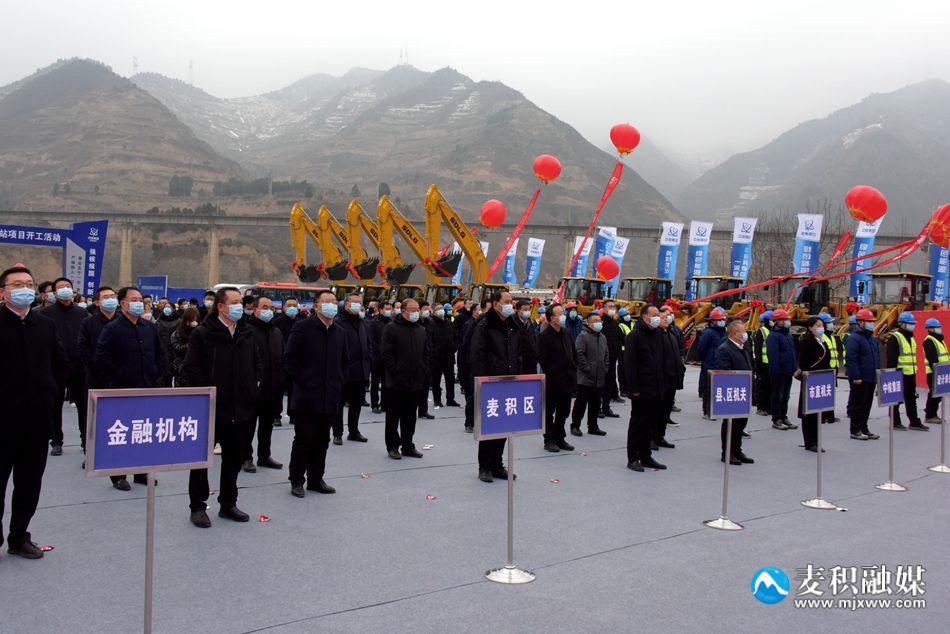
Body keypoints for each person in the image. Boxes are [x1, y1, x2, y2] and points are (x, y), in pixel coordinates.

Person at [0, 265, 67, 559]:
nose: (24, 289)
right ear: (3, 292)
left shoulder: (45, 324)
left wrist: (50, 392)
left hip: (37, 419)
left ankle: (19, 537)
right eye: (16, 284)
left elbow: (60, 364)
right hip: (2, 420)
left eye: (28, 284)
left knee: (29, 484)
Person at [182, 287, 262, 527]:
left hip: (241, 408)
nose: (240, 306)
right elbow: (191, 369)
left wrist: (252, 389)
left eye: (240, 302)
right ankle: (198, 506)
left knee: (234, 459)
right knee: (201, 461)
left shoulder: (247, 332)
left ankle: (228, 503)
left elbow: (257, 364)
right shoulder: (203, 334)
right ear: (221, 307)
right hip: (211, 408)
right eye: (234, 302)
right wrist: (205, 395)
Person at [94, 286, 166, 491]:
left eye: (140, 300)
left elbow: (161, 353)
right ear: (123, 304)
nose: (139, 303)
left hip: (147, 387)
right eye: (133, 300)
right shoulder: (112, 329)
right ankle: (118, 475)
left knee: (143, 432)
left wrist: (156, 371)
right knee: (122, 432)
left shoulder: (149, 327)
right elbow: (101, 358)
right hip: (122, 390)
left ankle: (141, 471)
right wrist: (120, 374)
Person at [283, 291, 347, 498]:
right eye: (327, 302)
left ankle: (316, 478)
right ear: (316, 306)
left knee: (322, 440)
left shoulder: (339, 332)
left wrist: (338, 381)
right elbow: (290, 358)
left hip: (330, 395)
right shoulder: (303, 328)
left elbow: (344, 361)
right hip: (307, 396)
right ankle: (296, 479)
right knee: (304, 439)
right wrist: (305, 381)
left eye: (334, 302)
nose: (332, 305)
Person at [471, 291, 524, 482]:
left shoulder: (512, 325)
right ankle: (484, 466)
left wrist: (519, 377)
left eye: (512, 301)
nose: (511, 304)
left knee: (504, 426)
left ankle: (497, 464)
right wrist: (483, 382)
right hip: (491, 384)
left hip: (509, 382)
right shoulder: (484, 326)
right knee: (490, 426)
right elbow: (477, 356)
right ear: (495, 304)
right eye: (507, 301)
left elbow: (518, 354)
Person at [39, 276, 89, 457]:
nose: (65, 289)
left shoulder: (82, 313)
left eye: (68, 286)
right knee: (55, 405)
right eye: (61, 287)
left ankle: (85, 439)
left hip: (79, 366)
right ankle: (56, 441)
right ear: (54, 292)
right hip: (55, 367)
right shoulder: (44, 314)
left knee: (83, 405)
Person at [381, 298, 429, 460]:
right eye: (413, 310)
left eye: (418, 310)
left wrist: (424, 369)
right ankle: (392, 446)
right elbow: (386, 353)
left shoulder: (421, 330)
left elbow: (426, 352)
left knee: (410, 416)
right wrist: (395, 370)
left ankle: (408, 445)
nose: (417, 313)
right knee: (393, 416)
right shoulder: (391, 328)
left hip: (415, 380)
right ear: (403, 312)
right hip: (396, 381)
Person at [76, 286, 119, 463]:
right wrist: (98, 367)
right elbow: (83, 348)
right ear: (97, 302)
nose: (110, 300)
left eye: (112, 296)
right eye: (106, 297)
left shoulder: (123, 321)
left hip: (119, 378)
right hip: (96, 376)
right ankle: (91, 453)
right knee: (94, 417)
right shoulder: (88, 323)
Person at [243, 296, 285, 471]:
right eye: (264, 307)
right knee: (248, 426)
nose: (269, 311)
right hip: (252, 389)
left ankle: (264, 455)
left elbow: (281, 358)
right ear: (255, 310)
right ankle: (246, 457)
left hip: (272, 388)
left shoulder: (277, 332)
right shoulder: (246, 331)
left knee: (267, 426)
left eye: (271, 307)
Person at [624, 305, 667, 472]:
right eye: (654, 315)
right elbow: (630, 365)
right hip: (641, 389)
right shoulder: (634, 336)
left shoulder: (658, 335)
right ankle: (633, 458)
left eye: (658, 315)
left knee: (651, 424)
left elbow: (662, 361)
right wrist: (633, 388)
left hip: (656, 387)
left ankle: (646, 456)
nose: (657, 318)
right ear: (644, 317)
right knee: (638, 424)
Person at [714, 319, 755, 464]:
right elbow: (723, 372)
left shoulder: (742, 347)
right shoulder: (725, 349)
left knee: (741, 424)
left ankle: (737, 450)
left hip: (743, 391)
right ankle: (727, 453)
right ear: (734, 333)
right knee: (731, 424)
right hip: (732, 392)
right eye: (743, 331)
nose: (745, 334)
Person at [538, 304, 577, 452]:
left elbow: (573, 352)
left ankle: (560, 437)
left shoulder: (566, 333)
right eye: (560, 314)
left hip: (568, 379)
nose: (563, 316)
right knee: (549, 412)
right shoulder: (544, 336)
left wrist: (573, 368)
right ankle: (549, 440)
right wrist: (553, 372)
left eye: (563, 313)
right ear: (552, 318)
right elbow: (543, 358)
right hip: (553, 381)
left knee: (564, 411)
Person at [334, 293, 371, 444]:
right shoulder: (338, 322)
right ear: (346, 304)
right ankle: (337, 433)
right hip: (344, 371)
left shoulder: (363, 322)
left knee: (356, 403)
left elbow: (368, 343)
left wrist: (368, 361)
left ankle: (354, 431)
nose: (357, 305)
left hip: (361, 370)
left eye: (359, 302)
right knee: (339, 403)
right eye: (354, 302)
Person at [885, 312, 929, 431]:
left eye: (913, 323)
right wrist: (891, 375)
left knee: (911, 399)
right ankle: (895, 422)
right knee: (895, 399)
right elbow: (891, 359)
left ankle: (914, 422)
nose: (912, 325)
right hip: (899, 374)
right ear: (902, 324)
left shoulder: (911, 338)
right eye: (910, 323)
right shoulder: (895, 338)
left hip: (910, 374)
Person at [570, 311, 608, 437]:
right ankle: (575, 425)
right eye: (595, 321)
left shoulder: (602, 337)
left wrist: (605, 368)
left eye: (599, 321)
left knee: (595, 404)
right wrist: (587, 369)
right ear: (589, 323)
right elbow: (579, 354)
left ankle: (593, 426)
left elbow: (606, 354)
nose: (599, 323)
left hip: (599, 377)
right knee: (581, 403)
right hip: (585, 377)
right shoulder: (583, 336)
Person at [845, 309, 881, 441]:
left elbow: (876, 357)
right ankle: (855, 430)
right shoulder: (854, 338)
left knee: (867, 405)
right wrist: (856, 376)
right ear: (860, 323)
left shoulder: (872, 338)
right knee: (858, 405)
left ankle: (864, 428)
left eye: (872, 322)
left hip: (871, 377)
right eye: (869, 322)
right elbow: (851, 358)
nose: (872, 324)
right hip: (860, 378)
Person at [797, 316, 831, 452]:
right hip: (811, 379)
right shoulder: (806, 341)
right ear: (810, 328)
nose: (821, 328)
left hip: (822, 378)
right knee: (809, 412)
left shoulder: (822, 340)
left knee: (817, 410)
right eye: (817, 325)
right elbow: (803, 362)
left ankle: (815, 440)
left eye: (822, 325)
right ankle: (809, 442)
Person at [655, 307, 684, 450]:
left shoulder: (672, 332)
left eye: (668, 316)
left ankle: (660, 437)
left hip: (672, 378)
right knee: (657, 411)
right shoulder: (655, 335)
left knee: (666, 410)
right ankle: (652, 438)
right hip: (661, 380)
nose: (666, 319)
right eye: (663, 317)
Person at [460, 300, 489, 433]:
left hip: (490, 366)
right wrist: (470, 363)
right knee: (474, 394)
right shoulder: (473, 324)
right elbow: (466, 344)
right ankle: (469, 422)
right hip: (476, 365)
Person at [766, 308, 798, 431]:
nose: (786, 321)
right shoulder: (773, 336)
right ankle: (776, 419)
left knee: (785, 396)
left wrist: (794, 368)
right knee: (777, 396)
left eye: (786, 319)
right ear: (777, 321)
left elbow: (792, 353)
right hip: (778, 373)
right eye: (783, 319)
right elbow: (773, 356)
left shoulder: (788, 335)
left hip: (788, 371)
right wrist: (776, 372)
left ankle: (784, 417)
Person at [274, 296, 300, 425]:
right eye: (289, 305)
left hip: (296, 362)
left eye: (294, 305)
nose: (292, 308)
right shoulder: (277, 323)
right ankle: (276, 415)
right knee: (278, 390)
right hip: (280, 361)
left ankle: (293, 414)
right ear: (284, 308)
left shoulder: (301, 323)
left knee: (294, 390)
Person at [697, 308, 727, 419]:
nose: (722, 321)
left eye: (722, 319)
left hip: (720, 365)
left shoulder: (723, 332)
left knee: (718, 389)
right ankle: (707, 411)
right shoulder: (708, 333)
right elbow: (701, 349)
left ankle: (716, 410)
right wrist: (707, 361)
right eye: (719, 320)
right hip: (710, 364)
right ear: (713, 321)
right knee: (708, 389)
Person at [429, 302, 459, 407]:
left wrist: (454, 347)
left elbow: (456, 337)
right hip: (436, 358)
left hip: (449, 356)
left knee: (450, 379)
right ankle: (437, 400)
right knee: (436, 380)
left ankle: (450, 399)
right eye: (438, 309)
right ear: (433, 311)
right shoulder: (431, 324)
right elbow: (429, 341)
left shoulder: (450, 323)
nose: (440, 310)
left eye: (441, 308)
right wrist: (434, 351)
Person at [922, 317, 949, 424]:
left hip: (942, 372)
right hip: (934, 372)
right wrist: (937, 370)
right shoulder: (929, 341)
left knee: (938, 394)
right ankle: (930, 415)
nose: (939, 329)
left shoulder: (939, 340)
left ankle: (932, 413)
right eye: (937, 327)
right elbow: (932, 358)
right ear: (931, 329)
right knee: (934, 394)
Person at [600, 300, 624, 415]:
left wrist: (620, 354)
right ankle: (597, 409)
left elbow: (620, 340)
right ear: (604, 308)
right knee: (601, 384)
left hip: (613, 358)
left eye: (614, 307)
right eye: (610, 307)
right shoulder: (600, 323)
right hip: (602, 359)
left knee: (609, 383)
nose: (612, 309)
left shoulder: (615, 324)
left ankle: (606, 407)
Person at [369, 301, 393, 414]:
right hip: (376, 356)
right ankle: (374, 404)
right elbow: (371, 339)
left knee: (386, 382)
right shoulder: (374, 322)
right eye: (386, 309)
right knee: (375, 382)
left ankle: (385, 403)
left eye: (390, 309)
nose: (389, 311)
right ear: (380, 309)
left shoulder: (391, 322)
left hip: (388, 357)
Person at [169, 307, 199, 387]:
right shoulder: (177, 333)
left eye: (195, 319)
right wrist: (191, 344)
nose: (194, 321)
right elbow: (177, 349)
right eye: (191, 319)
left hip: (197, 371)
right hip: (181, 370)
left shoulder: (200, 332)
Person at [415, 301, 435, 420]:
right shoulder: (414, 323)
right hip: (417, 357)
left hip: (429, 357)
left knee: (426, 386)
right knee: (416, 386)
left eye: (428, 309)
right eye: (424, 309)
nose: (427, 311)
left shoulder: (430, 322)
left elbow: (433, 338)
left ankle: (423, 410)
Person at [155, 298, 180, 387]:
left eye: (169, 307)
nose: (167, 309)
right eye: (166, 307)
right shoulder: (159, 320)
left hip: (173, 351)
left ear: (173, 309)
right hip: (162, 349)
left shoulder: (179, 321)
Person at [752, 310, 772, 417]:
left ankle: (769, 407)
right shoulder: (761, 331)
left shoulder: (773, 332)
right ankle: (761, 407)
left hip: (771, 364)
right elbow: (758, 349)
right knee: (762, 387)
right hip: (763, 364)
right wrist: (758, 363)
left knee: (770, 387)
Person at [514, 299, 539, 375]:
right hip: (520, 362)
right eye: (525, 310)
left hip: (532, 360)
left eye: (528, 309)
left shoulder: (529, 322)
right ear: (518, 310)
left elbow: (533, 339)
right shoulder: (513, 323)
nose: (527, 312)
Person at [617, 308, 632, 397]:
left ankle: (630, 388)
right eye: (625, 315)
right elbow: (621, 339)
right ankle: (623, 389)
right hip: (623, 352)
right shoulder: (620, 326)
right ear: (621, 317)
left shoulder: (633, 324)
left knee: (631, 371)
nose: (627, 316)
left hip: (633, 351)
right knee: (623, 371)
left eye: (628, 314)